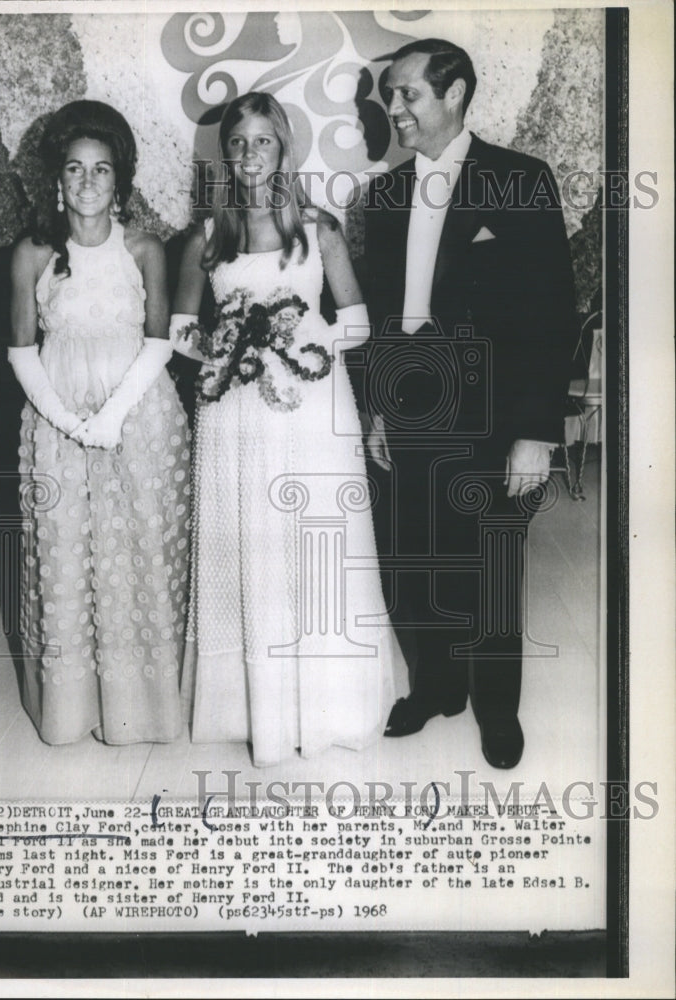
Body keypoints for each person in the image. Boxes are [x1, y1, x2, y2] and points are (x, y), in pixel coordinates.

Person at [363, 39, 577, 767]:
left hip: (492, 411)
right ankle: (434, 689)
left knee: (488, 566)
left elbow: (550, 313)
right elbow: (381, 314)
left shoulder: (519, 180)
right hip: (411, 404)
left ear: (453, 94)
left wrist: (534, 435)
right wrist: (377, 410)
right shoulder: (386, 193)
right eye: (389, 96)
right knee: (414, 560)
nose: (392, 109)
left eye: (406, 95)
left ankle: (495, 711)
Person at [173, 92, 401, 768]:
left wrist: (301, 342)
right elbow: (181, 331)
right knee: (252, 542)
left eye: (260, 142)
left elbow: (356, 321)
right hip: (235, 412)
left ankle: (329, 702)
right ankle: (255, 710)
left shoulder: (317, 227)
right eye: (236, 143)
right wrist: (228, 347)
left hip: (311, 406)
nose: (247, 156)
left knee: (313, 543)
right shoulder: (206, 238)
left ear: (282, 149)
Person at [8, 100, 191, 745]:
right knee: (65, 553)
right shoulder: (32, 253)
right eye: (75, 170)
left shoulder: (144, 248)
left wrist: (111, 418)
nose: (88, 183)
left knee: (133, 551)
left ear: (121, 181)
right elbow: (22, 351)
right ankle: (69, 710)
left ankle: (138, 710)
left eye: (102, 170)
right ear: (56, 181)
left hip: (135, 418)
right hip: (58, 425)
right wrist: (67, 422)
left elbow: (159, 341)